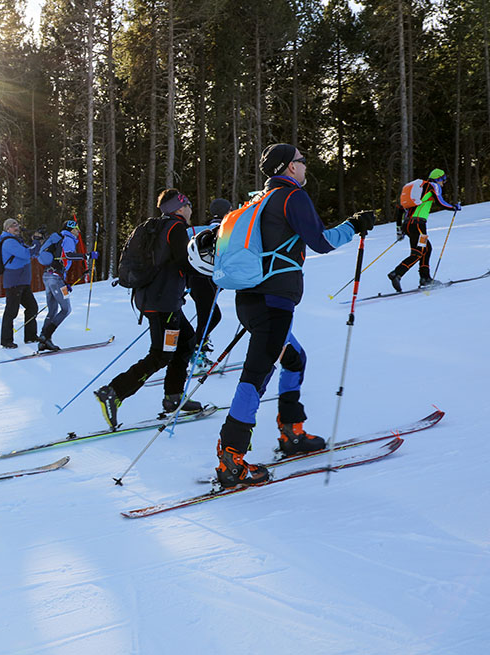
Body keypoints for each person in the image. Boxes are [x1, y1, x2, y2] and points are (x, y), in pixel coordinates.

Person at [213, 143, 374, 488]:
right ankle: (231, 459)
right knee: (256, 374)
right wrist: (354, 225)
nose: (305, 166)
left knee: (294, 359)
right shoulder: (291, 197)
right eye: (302, 161)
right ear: (288, 167)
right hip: (274, 302)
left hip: (251, 299)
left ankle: (291, 433)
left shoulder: (258, 199)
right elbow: (321, 242)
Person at [94, 189, 204, 431]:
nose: (190, 210)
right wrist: (212, 270)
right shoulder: (175, 229)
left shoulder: (157, 227)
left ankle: (173, 396)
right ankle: (114, 391)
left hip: (154, 300)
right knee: (161, 354)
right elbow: (186, 263)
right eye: (188, 206)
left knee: (186, 340)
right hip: (164, 304)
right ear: (179, 207)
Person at [387, 168, 460, 292]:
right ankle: (397, 273)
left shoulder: (418, 190)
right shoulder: (433, 186)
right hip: (418, 225)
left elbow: (400, 209)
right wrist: (453, 207)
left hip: (408, 225)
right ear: (438, 179)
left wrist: (399, 230)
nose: (443, 183)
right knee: (419, 252)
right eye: (443, 180)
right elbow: (440, 202)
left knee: (425, 248)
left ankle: (424, 277)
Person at [35, 220, 96, 351]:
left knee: (52, 310)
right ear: (71, 229)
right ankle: (46, 336)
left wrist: (65, 283)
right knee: (66, 308)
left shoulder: (60, 238)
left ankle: (43, 340)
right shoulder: (68, 238)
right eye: (77, 228)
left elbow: (61, 259)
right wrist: (87, 256)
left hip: (48, 276)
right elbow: (68, 255)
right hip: (56, 279)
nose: (78, 231)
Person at [186, 198, 231, 365]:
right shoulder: (226, 230)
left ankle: (199, 354)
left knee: (207, 317)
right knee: (212, 316)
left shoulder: (197, 230)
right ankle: (195, 356)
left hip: (193, 280)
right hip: (205, 281)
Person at [0, 218, 43, 349]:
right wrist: (35, 241)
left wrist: (37, 243)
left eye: (17, 225)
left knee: (32, 307)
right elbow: (26, 253)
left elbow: (33, 252)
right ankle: (6, 340)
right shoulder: (9, 242)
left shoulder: (17, 241)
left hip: (22, 281)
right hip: (14, 281)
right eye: (13, 226)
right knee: (11, 312)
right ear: (7, 229)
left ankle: (30, 336)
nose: (16, 227)